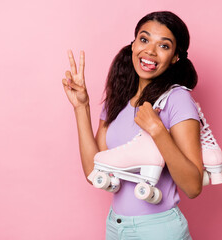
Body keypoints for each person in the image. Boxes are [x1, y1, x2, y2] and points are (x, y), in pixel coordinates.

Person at [62, 11, 203, 240]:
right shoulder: (118, 99)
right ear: (134, 44)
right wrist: (81, 107)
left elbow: (193, 186)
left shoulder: (176, 99)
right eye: (144, 39)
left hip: (158, 230)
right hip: (116, 227)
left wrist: (157, 131)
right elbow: (94, 172)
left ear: (176, 57)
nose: (150, 51)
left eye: (164, 46)